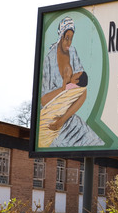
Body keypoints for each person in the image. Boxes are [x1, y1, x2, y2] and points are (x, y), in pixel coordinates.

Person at [39, 16, 104, 147]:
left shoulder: (72, 52)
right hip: (51, 120)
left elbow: (82, 90)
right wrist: (63, 88)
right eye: (66, 38)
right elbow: (44, 100)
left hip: (68, 118)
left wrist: (62, 120)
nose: (68, 43)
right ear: (61, 36)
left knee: (95, 141)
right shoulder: (48, 60)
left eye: (71, 39)